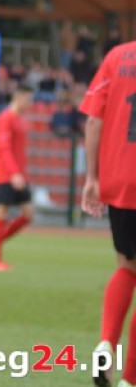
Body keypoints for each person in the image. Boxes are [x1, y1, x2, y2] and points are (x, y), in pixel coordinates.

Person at [79, 39, 136, 387]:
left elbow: (93, 120)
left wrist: (92, 177)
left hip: (120, 180)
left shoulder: (117, 56)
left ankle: (105, 346)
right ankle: (130, 378)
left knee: (126, 266)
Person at [0, 84, 34, 271]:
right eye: (28, 99)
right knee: (2, 212)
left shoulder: (20, 119)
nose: (30, 103)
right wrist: (14, 173)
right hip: (6, 174)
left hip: (20, 174)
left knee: (28, 215)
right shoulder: (5, 118)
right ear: (18, 98)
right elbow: (3, 148)